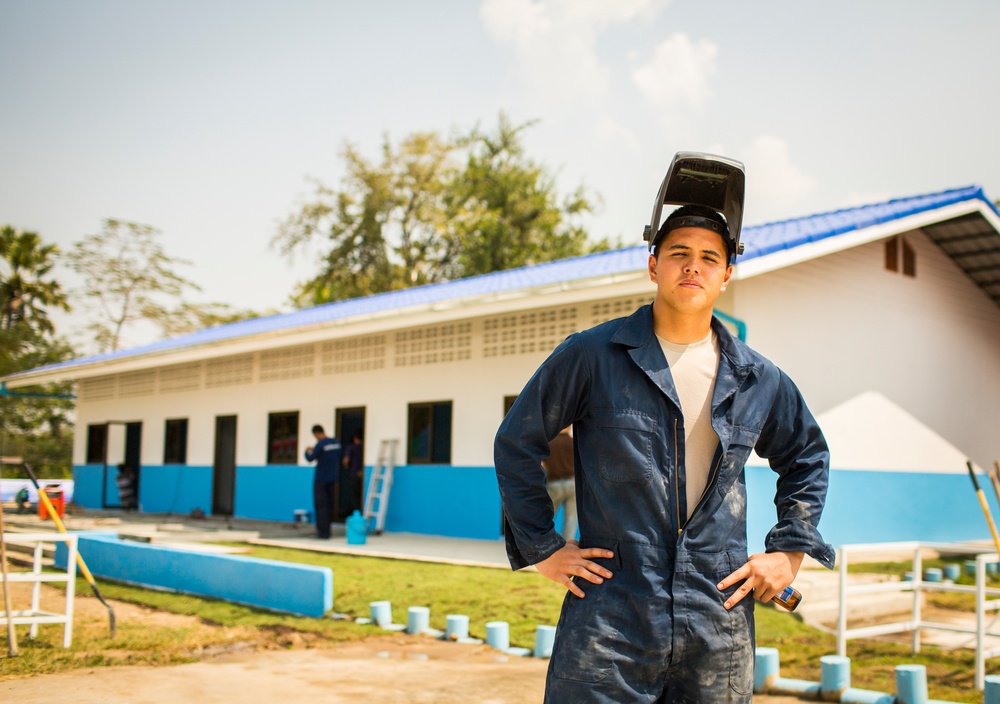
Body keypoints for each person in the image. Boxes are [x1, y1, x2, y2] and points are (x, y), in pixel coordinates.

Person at [494, 202, 835, 702]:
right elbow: (516, 440)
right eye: (679, 253)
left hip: (717, 617)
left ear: (726, 275)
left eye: (709, 258)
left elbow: (807, 456)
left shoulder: (758, 379)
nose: (693, 265)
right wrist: (541, 547)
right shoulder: (592, 356)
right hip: (611, 613)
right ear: (654, 265)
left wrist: (789, 552)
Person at [305, 425, 343, 539]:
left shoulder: (321, 444)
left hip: (321, 479)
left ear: (316, 433)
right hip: (333, 479)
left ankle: (323, 533)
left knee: (321, 506)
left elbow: (311, 458)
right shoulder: (337, 443)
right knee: (330, 505)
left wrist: (307, 451)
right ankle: (328, 530)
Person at [542, 426, 577, 540]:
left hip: (554, 483)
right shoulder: (573, 443)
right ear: (569, 427)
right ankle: (567, 547)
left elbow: (542, 464)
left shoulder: (550, 444)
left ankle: (545, 545)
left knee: (547, 518)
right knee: (571, 520)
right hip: (572, 484)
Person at [342, 429, 365, 516]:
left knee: (354, 496)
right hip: (363, 474)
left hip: (354, 474)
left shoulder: (351, 447)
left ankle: (356, 515)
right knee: (361, 496)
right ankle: (360, 515)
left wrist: (346, 467)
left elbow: (346, 461)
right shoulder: (364, 447)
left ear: (355, 438)